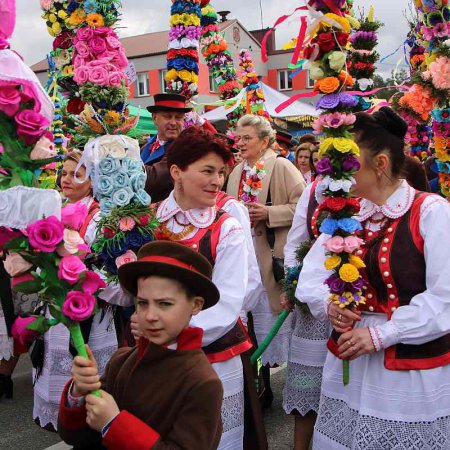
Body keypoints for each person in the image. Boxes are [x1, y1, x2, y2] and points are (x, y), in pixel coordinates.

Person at [297, 107, 450, 449]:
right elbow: (310, 278)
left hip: (411, 370)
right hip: (352, 360)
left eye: (347, 164)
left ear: (380, 164)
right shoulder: (347, 216)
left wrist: (383, 334)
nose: (335, 175)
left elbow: (446, 297)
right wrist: (330, 305)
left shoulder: (431, 212)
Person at [58, 241, 223, 449]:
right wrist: (79, 392)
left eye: (165, 304)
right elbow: (78, 438)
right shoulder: (121, 361)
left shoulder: (202, 382)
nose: (150, 316)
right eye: (143, 303)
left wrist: (114, 424)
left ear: (196, 304)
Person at [150, 127, 256, 449]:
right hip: (152, 355)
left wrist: (169, 334)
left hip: (211, 357)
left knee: (212, 439)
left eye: (221, 173)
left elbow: (227, 303)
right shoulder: (149, 219)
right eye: (207, 171)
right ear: (176, 172)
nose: (217, 181)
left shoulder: (227, 226)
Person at [33, 151, 118, 431]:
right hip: (59, 302)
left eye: (76, 174)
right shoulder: (53, 208)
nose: (67, 179)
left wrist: (78, 263)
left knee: (86, 366)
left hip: (89, 307)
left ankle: (89, 419)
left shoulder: (99, 216)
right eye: (65, 173)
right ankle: (64, 414)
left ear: (92, 181)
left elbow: (107, 269)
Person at [226, 114, 305, 403]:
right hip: (244, 260)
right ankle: (259, 386)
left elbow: (303, 206)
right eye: (238, 137)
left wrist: (270, 213)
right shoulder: (236, 171)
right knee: (249, 325)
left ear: (264, 141)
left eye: (247, 138)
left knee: (272, 327)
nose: (240, 142)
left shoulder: (281, 165)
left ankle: (276, 385)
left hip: (271, 260)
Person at [281, 178, 330, 450]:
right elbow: (295, 243)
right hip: (312, 303)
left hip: (357, 305)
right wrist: (291, 283)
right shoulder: (314, 190)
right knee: (306, 384)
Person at [141, 93, 192, 202]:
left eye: (178, 117)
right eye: (167, 116)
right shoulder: (146, 146)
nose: (173, 123)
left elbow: (153, 179)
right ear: (155, 118)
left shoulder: (182, 149)